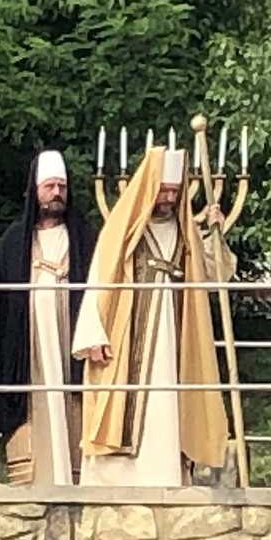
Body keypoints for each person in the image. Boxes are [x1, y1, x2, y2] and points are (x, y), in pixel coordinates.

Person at [72, 146, 232, 487]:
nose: (169, 198)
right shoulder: (124, 228)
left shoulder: (186, 232)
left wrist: (216, 234)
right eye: (164, 190)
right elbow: (99, 277)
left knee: (170, 405)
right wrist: (92, 334)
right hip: (126, 335)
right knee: (119, 407)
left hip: (175, 335)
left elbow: (215, 274)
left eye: (175, 191)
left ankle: (168, 474)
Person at [0, 150, 98, 486]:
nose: (56, 193)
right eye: (49, 186)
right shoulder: (15, 240)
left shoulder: (85, 236)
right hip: (31, 347)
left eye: (61, 187)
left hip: (71, 339)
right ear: (35, 191)